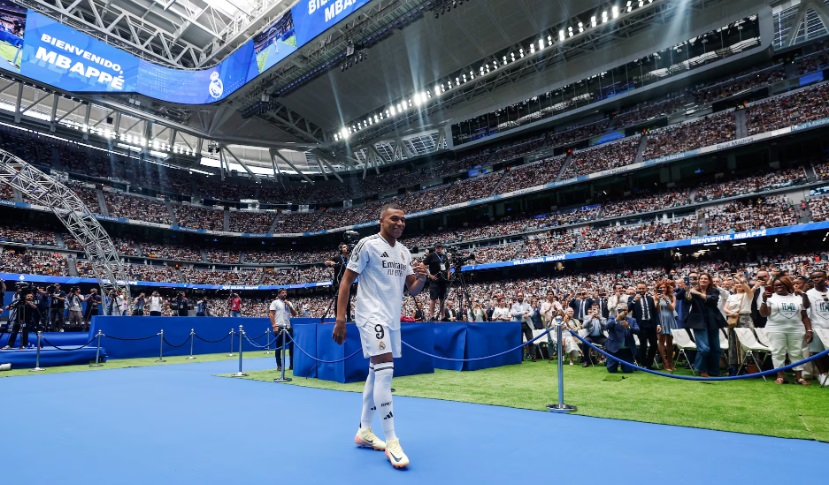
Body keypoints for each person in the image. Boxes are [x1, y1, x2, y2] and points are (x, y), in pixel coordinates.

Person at [332, 203, 428, 470]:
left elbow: (414, 289)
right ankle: (392, 441)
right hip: (370, 315)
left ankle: (364, 430)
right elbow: (346, 282)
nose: (399, 223)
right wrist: (341, 319)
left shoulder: (405, 252)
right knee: (386, 372)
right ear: (381, 221)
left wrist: (422, 278)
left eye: (403, 220)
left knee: (376, 372)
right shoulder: (367, 245)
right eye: (393, 219)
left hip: (391, 318)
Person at [760, 275, 813, 385]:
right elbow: (764, 314)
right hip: (775, 329)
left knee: (797, 352)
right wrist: (764, 301)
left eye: (781, 284)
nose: (778, 286)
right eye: (776, 285)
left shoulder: (797, 298)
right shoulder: (770, 297)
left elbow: (804, 316)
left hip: (796, 329)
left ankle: (799, 377)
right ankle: (780, 376)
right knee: (778, 352)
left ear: (787, 285)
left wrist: (809, 330)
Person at [685, 272, 727, 377]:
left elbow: (713, 300)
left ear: (709, 281)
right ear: (698, 280)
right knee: (704, 349)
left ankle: (714, 372)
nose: (703, 280)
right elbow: (688, 299)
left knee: (716, 348)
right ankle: (701, 369)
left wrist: (698, 293)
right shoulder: (693, 291)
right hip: (698, 322)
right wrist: (688, 292)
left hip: (713, 321)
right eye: (701, 278)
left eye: (705, 279)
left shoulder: (714, 291)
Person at [724, 276, 753, 375]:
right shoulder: (731, 296)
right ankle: (734, 367)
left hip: (745, 319)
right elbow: (725, 308)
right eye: (736, 283)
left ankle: (747, 366)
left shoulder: (748, 294)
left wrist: (740, 279)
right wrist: (731, 313)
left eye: (741, 283)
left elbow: (748, 289)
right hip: (732, 319)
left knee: (745, 343)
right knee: (732, 343)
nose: (739, 285)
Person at [806, 270, 829, 384]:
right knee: (817, 352)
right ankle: (823, 374)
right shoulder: (809, 294)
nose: (816, 279)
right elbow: (806, 314)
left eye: (819, 277)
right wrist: (809, 329)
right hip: (816, 327)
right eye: (814, 278)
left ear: (825, 278)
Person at [628, 282, 658, 369]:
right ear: (636, 289)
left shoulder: (650, 299)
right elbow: (628, 309)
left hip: (650, 324)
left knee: (654, 345)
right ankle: (643, 363)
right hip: (640, 324)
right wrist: (634, 301)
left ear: (646, 289)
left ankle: (649, 364)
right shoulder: (632, 298)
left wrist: (658, 324)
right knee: (643, 345)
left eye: (643, 288)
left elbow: (654, 313)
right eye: (639, 288)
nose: (641, 290)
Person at [605, 303, 639, 373]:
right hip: (613, 349)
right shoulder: (612, 318)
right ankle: (613, 363)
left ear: (627, 310)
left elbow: (637, 330)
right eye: (621, 310)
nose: (623, 312)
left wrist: (628, 327)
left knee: (628, 370)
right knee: (611, 370)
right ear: (617, 310)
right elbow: (607, 326)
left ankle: (629, 364)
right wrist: (617, 319)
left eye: (625, 310)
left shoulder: (632, 320)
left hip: (627, 350)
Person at [269, 289, 297, 371]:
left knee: (292, 346)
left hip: (288, 327)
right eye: (282, 293)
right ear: (278, 294)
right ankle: (279, 365)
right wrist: (274, 326)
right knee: (279, 347)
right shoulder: (275, 302)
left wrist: (290, 306)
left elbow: (295, 314)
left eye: (285, 292)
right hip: (279, 327)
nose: (284, 294)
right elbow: (271, 314)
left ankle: (292, 365)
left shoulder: (289, 303)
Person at [325, 243, 353, 320]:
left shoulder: (350, 258)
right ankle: (338, 317)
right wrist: (331, 263)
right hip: (338, 281)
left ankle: (349, 317)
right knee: (338, 300)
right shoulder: (337, 257)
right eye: (344, 247)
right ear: (341, 249)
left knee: (348, 300)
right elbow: (326, 263)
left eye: (346, 247)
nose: (345, 248)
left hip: (348, 282)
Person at [654, 280, 677, 372]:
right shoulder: (655, 297)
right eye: (660, 288)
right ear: (658, 289)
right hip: (660, 319)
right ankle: (665, 362)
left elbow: (672, 308)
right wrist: (659, 300)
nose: (662, 289)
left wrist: (666, 300)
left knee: (670, 342)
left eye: (664, 287)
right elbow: (657, 309)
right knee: (661, 341)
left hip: (670, 319)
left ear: (667, 288)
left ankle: (671, 361)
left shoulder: (672, 297)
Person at [424, 243, 450, 321]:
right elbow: (422, 264)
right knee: (433, 298)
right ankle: (432, 316)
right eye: (437, 247)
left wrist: (448, 277)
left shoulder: (444, 256)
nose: (438, 249)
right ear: (435, 248)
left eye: (440, 247)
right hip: (434, 280)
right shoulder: (431, 256)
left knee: (442, 299)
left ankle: (443, 316)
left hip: (443, 280)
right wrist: (429, 275)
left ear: (442, 248)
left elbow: (448, 267)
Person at [511, 292, 536, 361]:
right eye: (519, 296)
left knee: (531, 340)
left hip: (527, 324)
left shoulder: (527, 305)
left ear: (523, 296)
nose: (520, 297)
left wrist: (528, 315)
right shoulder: (514, 306)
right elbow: (514, 313)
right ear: (517, 297)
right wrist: (523, 312)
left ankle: (533, 357)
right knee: (519, 341)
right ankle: (520, 357)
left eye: (521, 296)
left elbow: (532, 312)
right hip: (518, 324)